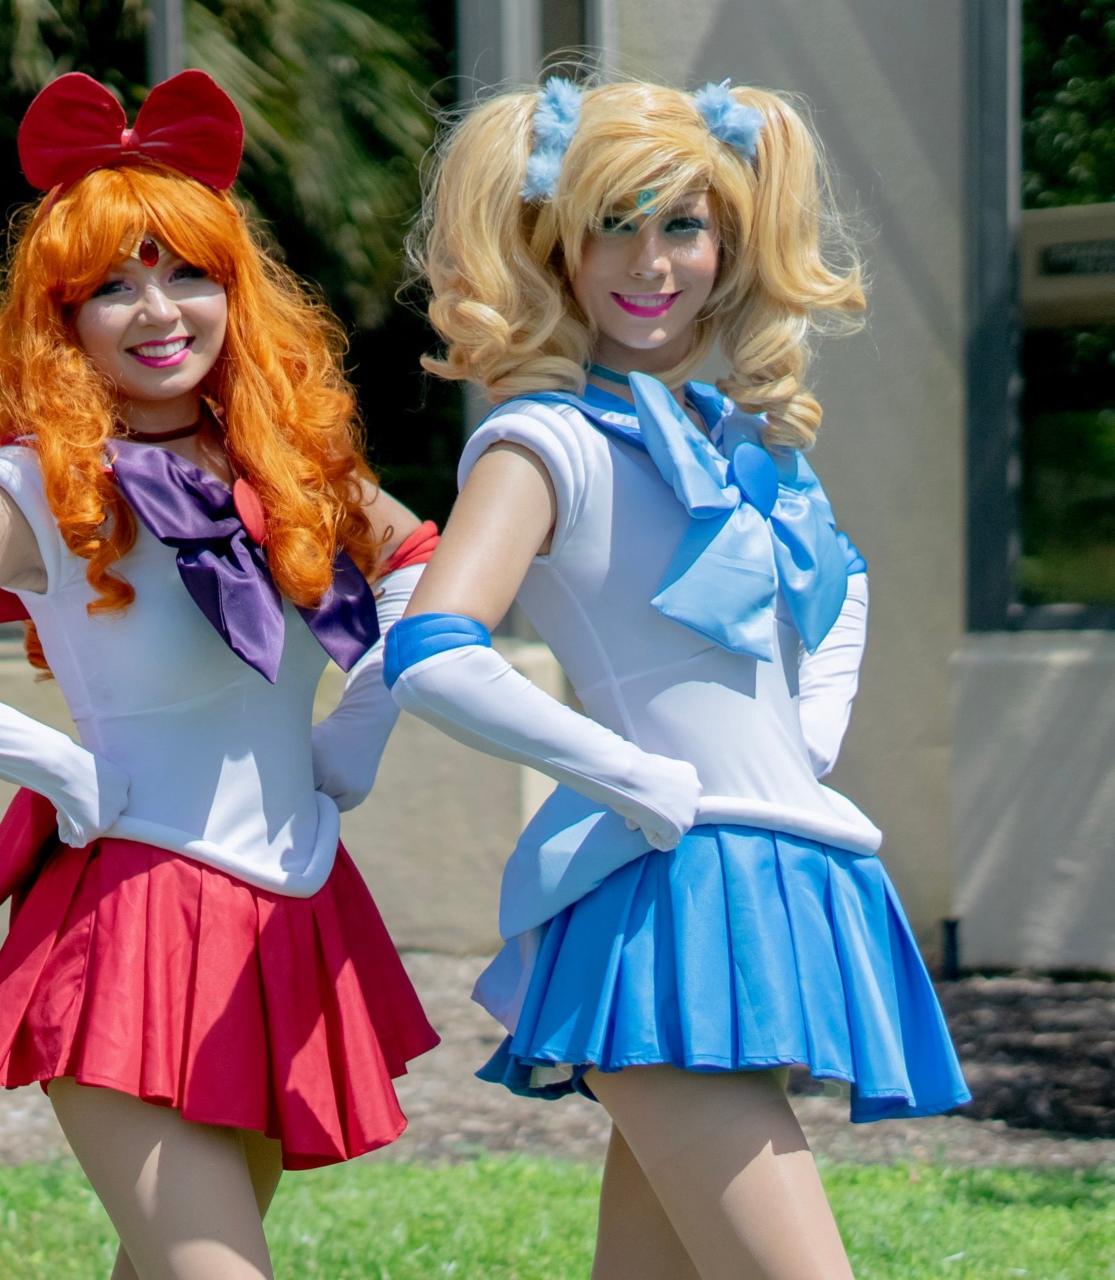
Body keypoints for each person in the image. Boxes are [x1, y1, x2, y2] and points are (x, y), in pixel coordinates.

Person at [0, 70, 440, 1280]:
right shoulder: (31, 485)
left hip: (291, 907)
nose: (158, 310)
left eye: (187, 273)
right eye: (111, 286)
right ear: (62, 318)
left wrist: (365, 723)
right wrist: (48, 759)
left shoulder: (288, 461)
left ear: (236, 289)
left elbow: (424, 570)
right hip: (132, 916)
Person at [395, 76, 971, 1278]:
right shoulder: (542, 439)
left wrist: (811, 731)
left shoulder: (741, 439)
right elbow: (433, 651)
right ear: (556, 243)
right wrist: (631, 772)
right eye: (612, 225)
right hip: (662, 897)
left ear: (728, 241)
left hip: (766, 870)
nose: (650, 262)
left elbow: (842, 582)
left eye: (682, 225)